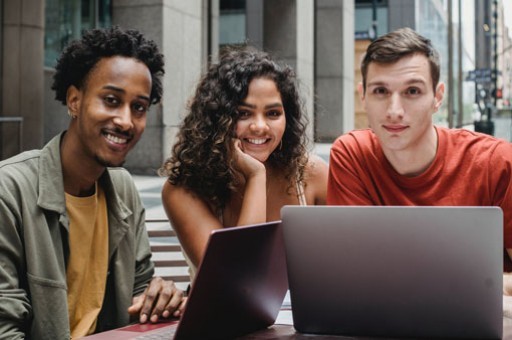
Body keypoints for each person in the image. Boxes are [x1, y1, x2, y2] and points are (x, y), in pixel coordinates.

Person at [0, 26, 184, 339]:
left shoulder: (123, 188)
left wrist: (158, 297)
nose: (126, 121)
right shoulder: (10, 190)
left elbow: (139, 295)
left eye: (138, 107)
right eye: (111, 100)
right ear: (74, 100)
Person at [327, 28, 512, 280]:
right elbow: (353, 270)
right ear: (363, 96)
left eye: (412, 91)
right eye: (380, 91)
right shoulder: (352, 154)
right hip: (383, 316)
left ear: (437, 97)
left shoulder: (497, 162)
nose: (394, 111)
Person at [159, 47, 328, 279]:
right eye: (243, 114)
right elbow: (239, 280)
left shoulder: (312, 174)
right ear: (217, 118)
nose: (260, 126)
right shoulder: (184, 189)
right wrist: (256, 176)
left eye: (273, 113)